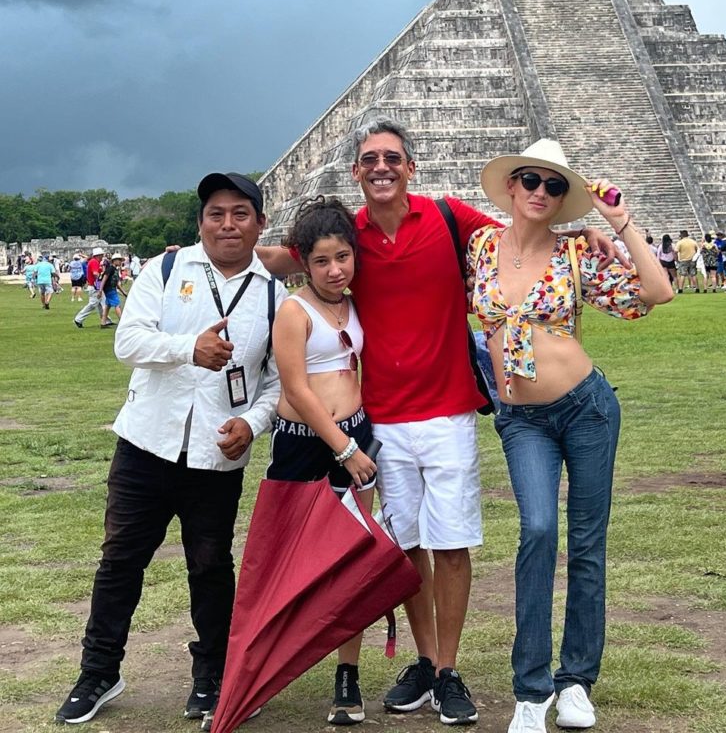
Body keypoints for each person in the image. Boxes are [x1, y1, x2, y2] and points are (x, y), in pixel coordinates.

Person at [254, 117, 618, 727]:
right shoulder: (346, 238)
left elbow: (523, 234)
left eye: (392, 158)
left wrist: (582, 232)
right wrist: (208, 254)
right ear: (355, 172)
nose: (381, 168)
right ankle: (423, 662)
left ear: (410, 167)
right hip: (386, 422)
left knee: (451, 545)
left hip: (448, 411)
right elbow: (278, 256)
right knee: (407, 548)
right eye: (369, 159)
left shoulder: (450, 219)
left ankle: (448, 669)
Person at [55, 172, 287, 728]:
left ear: (259, 224)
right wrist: (190, 348)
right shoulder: (166, 270)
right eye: (215, 213)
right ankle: (99, 672)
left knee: (210, 565)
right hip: (147, 440)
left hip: (216, 449)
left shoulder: (276, 296)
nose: (227, 224)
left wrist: (252, 423)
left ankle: (211, 675)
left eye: (239, 213)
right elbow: (127, 341)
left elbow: (279, 382)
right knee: (120, 561)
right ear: (200, 221)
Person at [468, 141, 673, 732]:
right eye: (530, 179)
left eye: (554, 186)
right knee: (536, 530)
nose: (540, 191)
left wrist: (621, 223)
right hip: (520, 419)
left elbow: (657, 294)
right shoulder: (481, 248)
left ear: (563, 202)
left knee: (586, 542)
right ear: (511, 187)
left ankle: (576, 679)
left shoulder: (577, 255)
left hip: (585, 409)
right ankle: (531, 690)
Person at [268, 196, 376, 726]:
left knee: (349, 560)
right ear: (303, 263)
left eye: (342, 257)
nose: (335, 270)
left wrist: (357, 443)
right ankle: (261, 667)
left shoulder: (355, 303)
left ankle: (347, 675)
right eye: (321, 261)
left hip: (355, 434)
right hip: (307, 441)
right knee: (282, 558)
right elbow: (297, 388)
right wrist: (346, 449)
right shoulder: (294, 309)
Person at [74, 247, 106, 328]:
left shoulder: (93, 261)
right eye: (101, 255)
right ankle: (78, 319)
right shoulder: (94, 262)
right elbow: (95, 273)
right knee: (93, 304)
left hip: (94, 286)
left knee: (101, 304)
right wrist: (101, 281)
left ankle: (105, 320)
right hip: (94, 287)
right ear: (98, 255)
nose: (102, 257)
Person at [100, 251, 125, 327]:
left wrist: (123, 292)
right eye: (119, 260)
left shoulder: (115, 270)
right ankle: (122, 322)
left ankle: (103, 323)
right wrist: (100, 290)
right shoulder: (110, 269)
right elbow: (104, 278)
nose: (121, 262)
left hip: (111, 289)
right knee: (117, 304)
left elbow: (116, 283)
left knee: (108, 306)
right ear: (115, 261)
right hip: (109, 289)